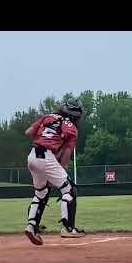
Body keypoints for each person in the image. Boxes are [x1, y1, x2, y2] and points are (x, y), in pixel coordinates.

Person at [24, 99, 86, 246]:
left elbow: (28, 132)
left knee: (41, 193)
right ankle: (68, 228)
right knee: (69, 190)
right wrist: (62, 167)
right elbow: (67, 152)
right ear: (76, 116)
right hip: (47, 156)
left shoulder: (48, 117)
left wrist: (41, 139)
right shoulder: (72, 128)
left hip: (33, 155)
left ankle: (31, 226)